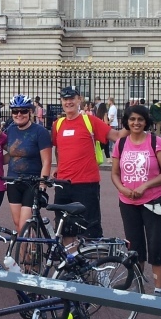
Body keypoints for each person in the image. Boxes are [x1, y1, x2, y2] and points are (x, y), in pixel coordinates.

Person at [110, 104, 161, 296]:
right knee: (134, 246)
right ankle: (138, 285)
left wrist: (145, 186)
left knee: (156, 244)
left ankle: (158, 289)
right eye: (132, 119)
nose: (136, 123)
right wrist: (122, 188)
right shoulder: (121, 143)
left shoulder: (156, 142)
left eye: (140, 119)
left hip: (153, 200)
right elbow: (114, 173)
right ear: (127, 122)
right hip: (128, 202)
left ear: (146, 122)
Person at [52, 86, 127, 239]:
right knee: (65, 231)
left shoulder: (90, 121)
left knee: (90, 230)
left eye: (72, 98)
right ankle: (69, 262)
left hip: (86, 184)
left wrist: (131, 119)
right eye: (65, 99)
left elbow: (117, 136)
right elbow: (57, 149)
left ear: (79, 99)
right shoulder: (57, 125)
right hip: (63, 184)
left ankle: (91, 261)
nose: (68, 102)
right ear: (61, 101)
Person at [5, 95, 53, 232]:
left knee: (24, 225)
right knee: (17, 225)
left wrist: (43, 183)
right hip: (13, 181)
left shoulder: (40, 132)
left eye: (23, 111)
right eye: (15, 111)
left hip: (32, 183)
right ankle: (24, 254)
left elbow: (47, 160)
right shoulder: (10, 130)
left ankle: (30, 252)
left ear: (30, 112)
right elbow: (9, 151)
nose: (19, 114)